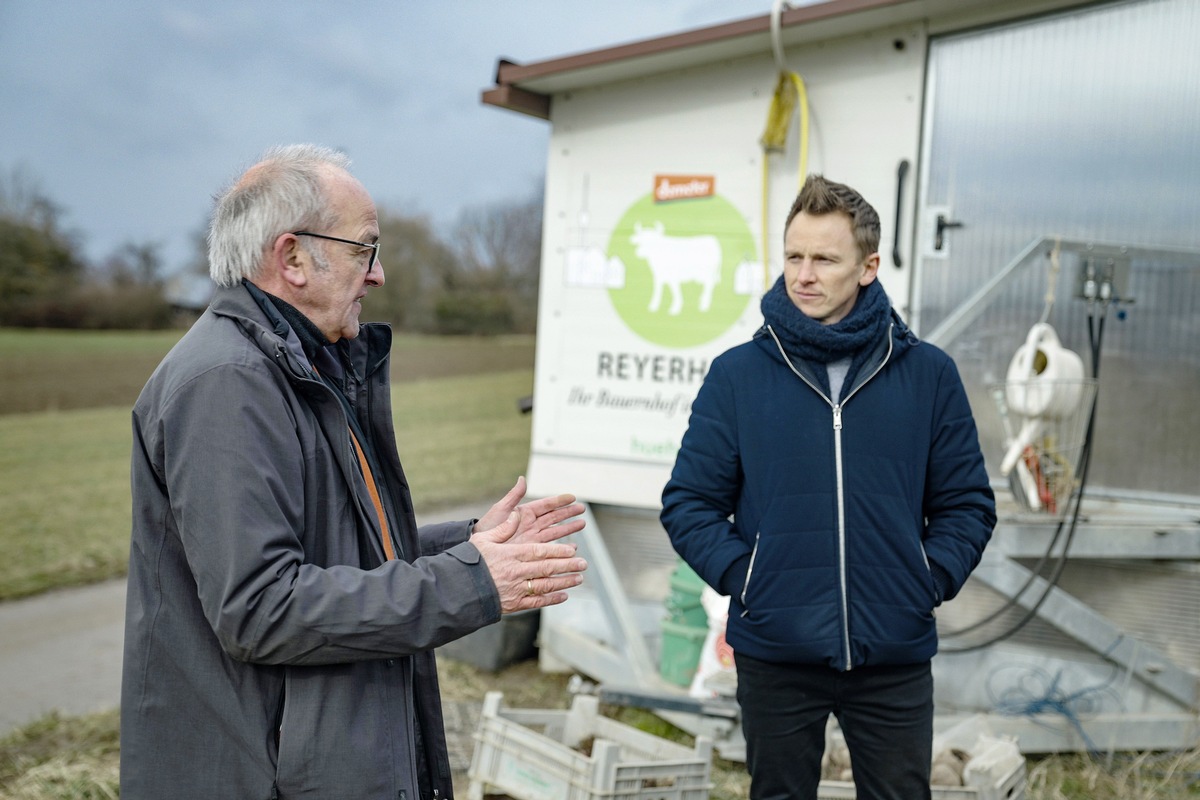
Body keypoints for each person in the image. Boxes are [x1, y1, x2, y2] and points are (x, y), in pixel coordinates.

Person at [120, 143, 588, 800]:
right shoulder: (229, 383)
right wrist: (469, 583)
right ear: (291, 258)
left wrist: (472, 544)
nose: (379, 274)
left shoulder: (300, 367)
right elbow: (261, 607)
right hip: (261, 774)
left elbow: (333, 554)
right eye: (363, 248)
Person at [660, 174, 995, 800]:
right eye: (793, 256)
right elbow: (689, 503)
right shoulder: (739, 376)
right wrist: (749, 577)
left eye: (824, 259)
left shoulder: (928, 375)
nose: (803, 274)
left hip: (892, 654)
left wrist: (924, 577)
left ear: (868, 266)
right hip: (775, 651)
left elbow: (966, 504)